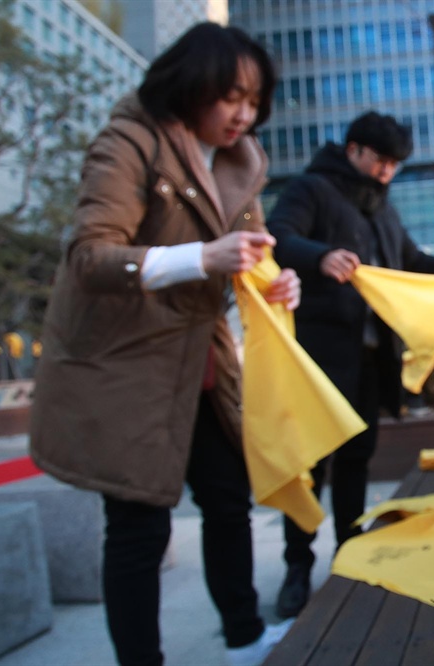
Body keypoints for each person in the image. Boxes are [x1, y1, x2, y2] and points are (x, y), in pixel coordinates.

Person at [28, 23, 298, 666]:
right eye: (232, 95)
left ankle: (244, 637)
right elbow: (91, 256)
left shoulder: (241, 160)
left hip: (201, 367)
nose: (245, 114)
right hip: (124, 365)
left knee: (229, 499)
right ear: (192, 85)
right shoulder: (129, 141)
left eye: (255, 100)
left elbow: (250, 258)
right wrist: (203, 255)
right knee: (138, 527)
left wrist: (275, 281)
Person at [265, 111, 434, 618]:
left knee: (358, 455)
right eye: (380, 160)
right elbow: (278, 237)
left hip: (369, 355)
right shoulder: (312, 189)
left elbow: (411, 261)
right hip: (317, 353)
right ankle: (297, 567)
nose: (387, 171)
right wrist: (320, 256)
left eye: (395, 164)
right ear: (353, 149)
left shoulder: (382, 208)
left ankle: (348, 548)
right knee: (310, 460)